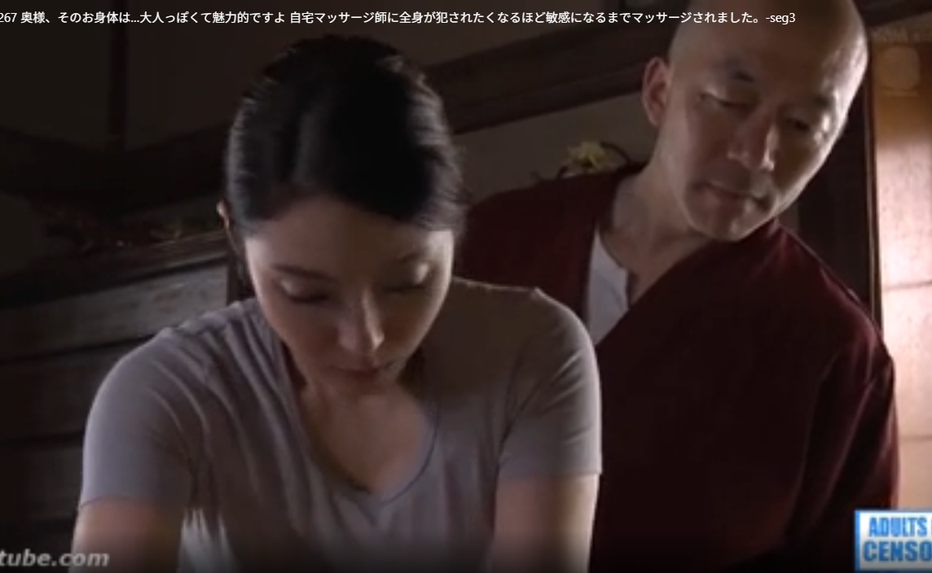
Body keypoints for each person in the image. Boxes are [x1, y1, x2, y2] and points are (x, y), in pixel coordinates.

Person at [71, 35, 601, 572]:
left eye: (407, 283)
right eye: (309, 295)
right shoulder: (166, 392)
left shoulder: (530, 352)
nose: (366, 339)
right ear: (234, 234)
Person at [457, 0, 897, 571]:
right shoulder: (494, 242)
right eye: (731, 102)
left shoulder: (835, 347)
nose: (756, 154)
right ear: (659, 93)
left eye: (802, 126)